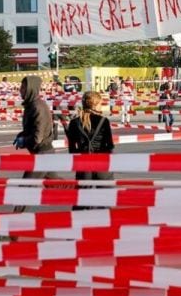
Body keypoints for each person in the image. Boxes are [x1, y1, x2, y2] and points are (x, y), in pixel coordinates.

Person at [12, 75, 59, 211]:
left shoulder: (37, 107)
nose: (20, 90)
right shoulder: (31, 105)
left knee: (24, 188)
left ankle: (11, 226)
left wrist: (23, 141)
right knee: (57, 184)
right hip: (42, 152)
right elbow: (31, 129)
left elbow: (37, 137)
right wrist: (20, 136)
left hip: (42, 154)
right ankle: (83, 195)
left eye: (23, 87)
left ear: (31, 88)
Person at [66, 90, 115, 192]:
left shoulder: (74, 123)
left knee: (81, 200)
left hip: (83, 164)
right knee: (105, 199)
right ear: (95, 105)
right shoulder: (104, 121)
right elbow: (110, 145)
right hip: (101, 163)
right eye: (100, 103)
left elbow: (71, 148)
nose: (101, 106)